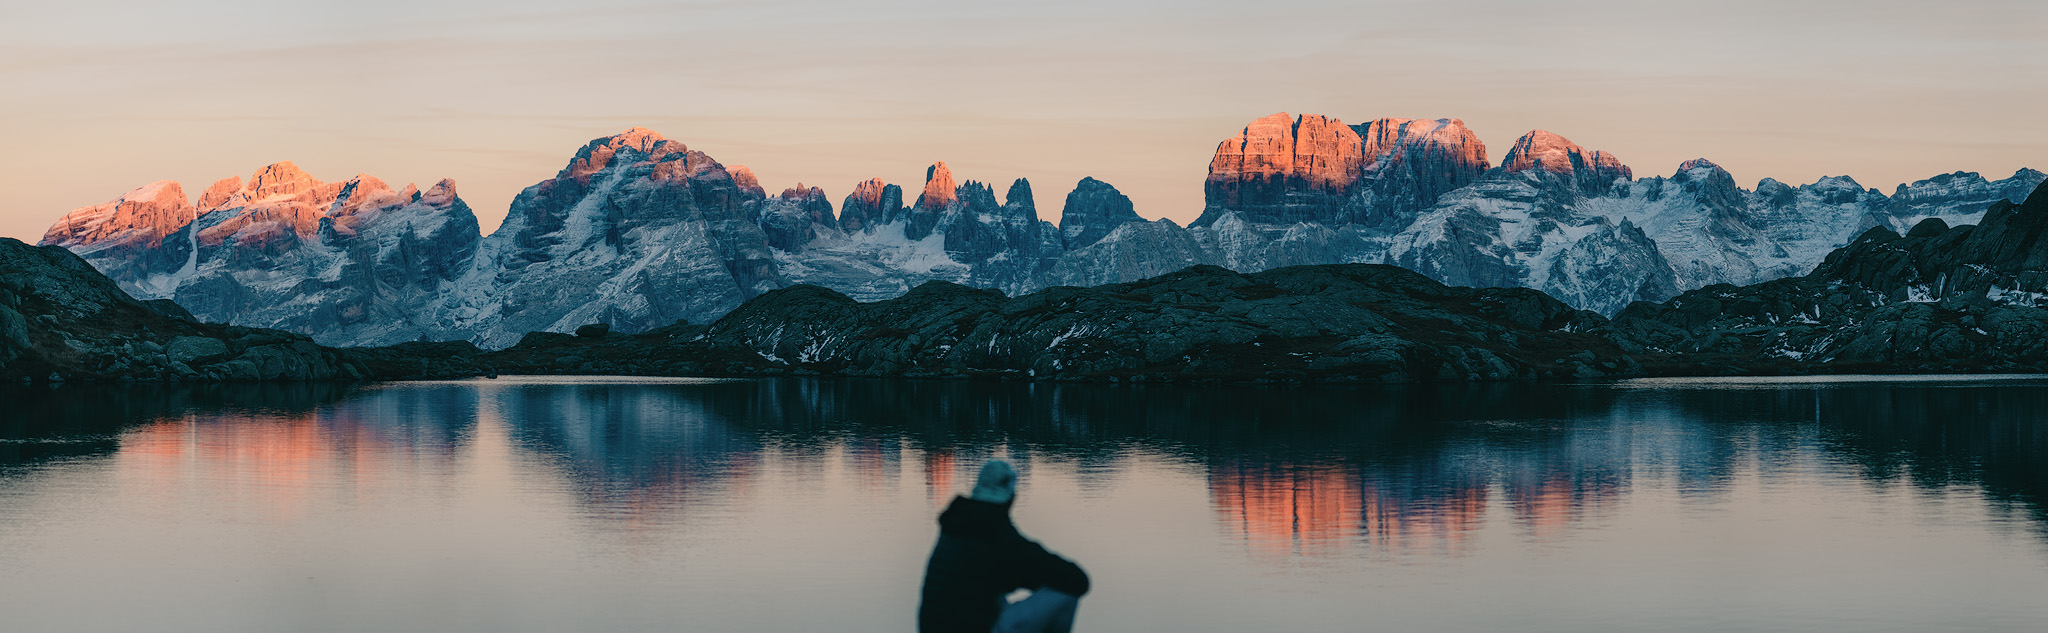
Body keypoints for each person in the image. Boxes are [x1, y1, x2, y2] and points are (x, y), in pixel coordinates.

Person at [918, 459, 1090, 633]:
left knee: (998, 600)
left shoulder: (953, 528)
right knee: (1066, 592)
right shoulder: (994, 531)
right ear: (1010, 497)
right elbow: (1078, 580)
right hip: (976, 627)